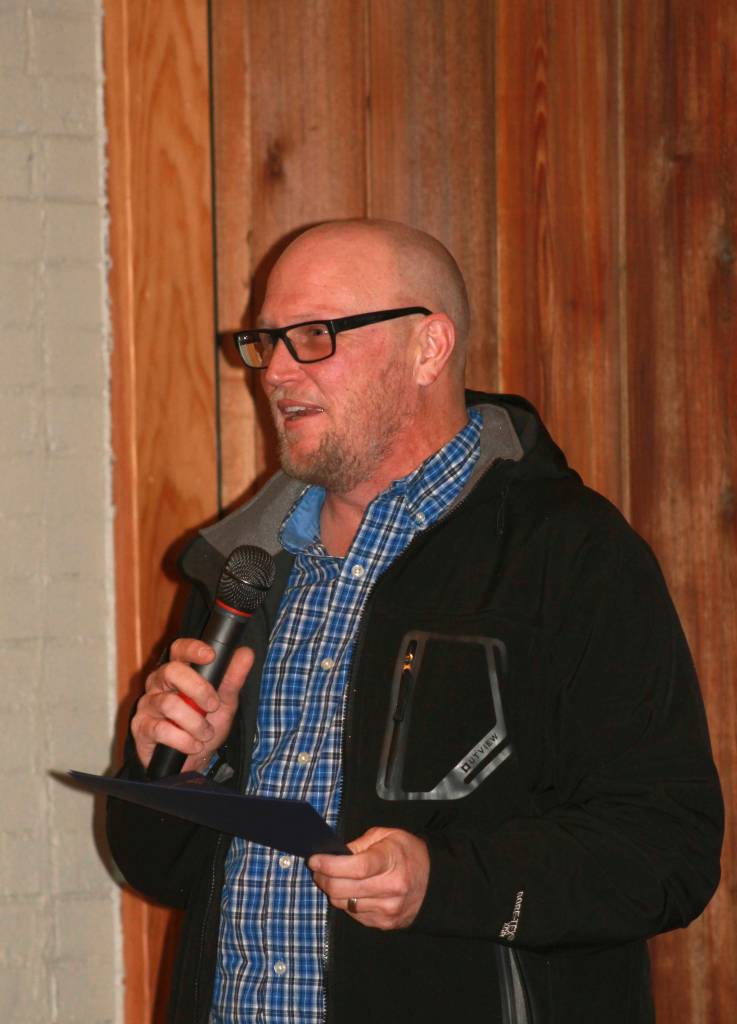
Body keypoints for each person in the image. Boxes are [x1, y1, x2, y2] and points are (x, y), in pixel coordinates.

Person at [107, 219, 723, 1024]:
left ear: (429, 348)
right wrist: (176, 773)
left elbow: (665, 852)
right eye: (267, 342)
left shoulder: (567, 553)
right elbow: (159, 868)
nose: (276, 373)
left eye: (315, 336)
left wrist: (445, 881)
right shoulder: (243, 566)